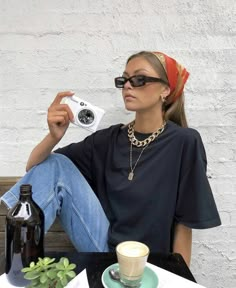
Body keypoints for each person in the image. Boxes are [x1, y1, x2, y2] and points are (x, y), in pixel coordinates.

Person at [1, 51, 221, 267]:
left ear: (165, 89)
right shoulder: (108, 140)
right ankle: (16, 267)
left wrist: (178, 278)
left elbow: (185, 223)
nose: (127, 85)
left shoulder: (184, 142)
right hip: (103, 248)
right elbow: (37, 169)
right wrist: (53, 136)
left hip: (149, 262)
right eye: (124, 79)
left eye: (139, 79)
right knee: (56, 164)